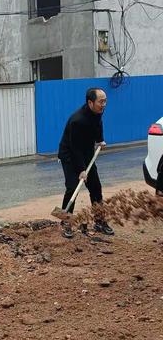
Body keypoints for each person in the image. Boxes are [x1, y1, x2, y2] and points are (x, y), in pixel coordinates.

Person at [57, 88, 114, 239]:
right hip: (69, 155)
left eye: (105, 101)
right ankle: (66, 222)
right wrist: (81, 170)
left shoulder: (98, 112)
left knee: (95, 187)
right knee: (72, 187)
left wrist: (100, 139)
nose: (104, 104)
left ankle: (100, 221)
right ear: (90, 102)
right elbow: (75, 148)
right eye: (101, 101)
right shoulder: (78, 120)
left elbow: (98, 124)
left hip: (87, 153)